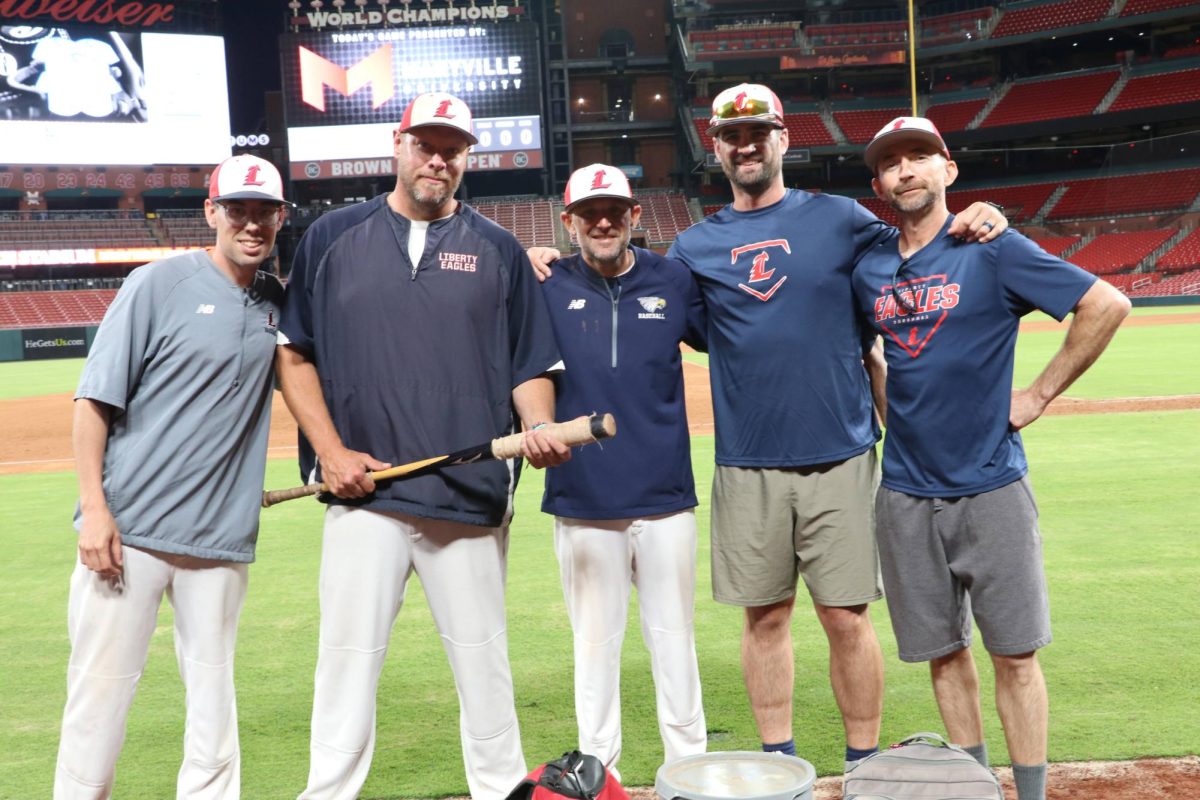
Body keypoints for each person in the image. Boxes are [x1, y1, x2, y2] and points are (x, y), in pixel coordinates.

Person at [533, 82, 1007, 771]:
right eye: (731, 135)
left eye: (759, 132)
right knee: (765, 618)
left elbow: (918, 243)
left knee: (847, 618)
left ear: (783, 139)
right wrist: (542, 260)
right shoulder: (695, 248)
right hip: (747, 463)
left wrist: (980, 214)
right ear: (716, 148)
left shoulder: (842, 218)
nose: (746, 144)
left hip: (840, 454)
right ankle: (778, 763)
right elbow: (640, 295)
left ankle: (864, 765)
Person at [276, 92, 570, 800]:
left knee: (484, 665)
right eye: (425, 144)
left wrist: (535, 425)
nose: (438, 159)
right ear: (398, 144)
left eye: (453, 149)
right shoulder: (331, 236)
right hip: (364, 495)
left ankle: (501, 791)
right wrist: (332, 453)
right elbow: (294, 355)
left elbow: (529, 363)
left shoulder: (498, 248)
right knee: (346, 662)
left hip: (466, 497)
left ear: (467, 157)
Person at [851, 117, 1130, 800]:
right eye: (892, 164)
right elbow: (869, 354)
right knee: (944, 655)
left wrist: (1036, 394)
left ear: (949, 169)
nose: (906, 170)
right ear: (878, 184)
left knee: (1015, 654)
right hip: (906, 493)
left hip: (991, 485)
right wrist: (893, 413)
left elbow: (1106, 304)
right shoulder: (868, 269)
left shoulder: (994, 248)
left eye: (920, 156)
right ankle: (973, 789)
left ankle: (1030, 795)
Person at [54, 154, 289, 799]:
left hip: (216, 546)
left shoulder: (279, 304)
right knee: (98, 701)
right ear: (211, 212)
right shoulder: (158, 283)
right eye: (237, 209)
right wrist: (95, 511)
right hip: (128, 537)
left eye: (263, 211)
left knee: (214, 710)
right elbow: (94, 402)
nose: (250, 223)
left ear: (280, 218)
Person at [535, 164, 709, 775]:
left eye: (615, 210)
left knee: (674, 643)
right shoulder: (546, 283)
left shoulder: (674, 279)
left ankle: (688, 770)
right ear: (569, 222)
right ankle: (597, 774)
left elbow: (731, 335)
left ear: (636, 215)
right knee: (594, 649)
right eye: (589, 212)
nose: (603, 221)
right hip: (584, 500)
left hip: (665, 498)